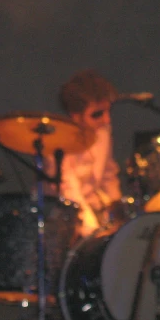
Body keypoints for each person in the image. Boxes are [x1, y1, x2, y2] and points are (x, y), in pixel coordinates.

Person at [50, 69, 123, 237]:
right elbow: (69, 191)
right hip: (63, 217)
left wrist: (117, 210)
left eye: (107, 111)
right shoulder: (56, 143)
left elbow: (108, 173)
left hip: (94, 208)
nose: (107, 120)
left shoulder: (103, 132)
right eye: (97, 114)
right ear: (75, 116)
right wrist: (92, 229)